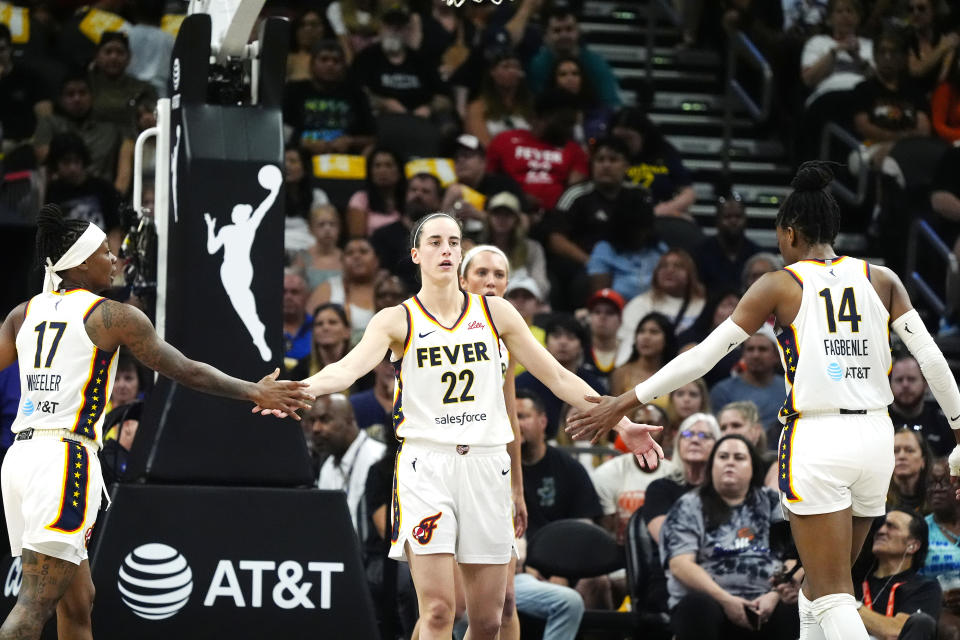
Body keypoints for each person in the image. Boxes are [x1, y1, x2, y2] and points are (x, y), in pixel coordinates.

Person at [566, 161, 960, 640]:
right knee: (818, 591)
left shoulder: (780, 283)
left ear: (790, 232)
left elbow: (705, 357)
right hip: (877, 437)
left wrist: (627, 399)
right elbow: (935, 364)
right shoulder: (883, 279)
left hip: (819, 438)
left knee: (834, 594)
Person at [262, 212, 663, 640]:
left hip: (487, 467)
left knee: (488, 621)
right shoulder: (396, 319)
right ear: (416, 254)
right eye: (435, 242)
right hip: (427, 466)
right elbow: (344, 371)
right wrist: (297, 390)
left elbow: (560, 378)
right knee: (438, 611)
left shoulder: (496, 313)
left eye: (453, 242)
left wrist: (623, 423)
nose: (446, 250)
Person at [0, 205, 312, 639]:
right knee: (32, 607)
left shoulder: (22, 314)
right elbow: (186, 370)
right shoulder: (112, 317)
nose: (114, 260)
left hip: (20, 458)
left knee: (78, 599)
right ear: (80, 261)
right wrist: (254, 390)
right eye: (105, 252)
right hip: (64, 459)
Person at [660, 434, 800, 640]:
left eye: (739, 457)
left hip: (768, 603)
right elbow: (680, 564)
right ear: (711, 466)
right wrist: (726, 600)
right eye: (723, 456)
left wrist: (774, 595)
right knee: (697, 606)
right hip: (711, 603)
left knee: (796, 604)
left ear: (753, 467)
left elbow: (798, 557)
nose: (730, 463)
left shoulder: (773, 502)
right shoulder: (689, 505)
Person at [854, 509, 940, 640]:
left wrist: (850, 606)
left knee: (922, 622)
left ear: (913, 546)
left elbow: (897, 631)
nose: (880, 531)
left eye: (891, 526)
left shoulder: (925, 587)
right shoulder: (855, 579)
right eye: (880, 526)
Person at [311, 393, 386, 541]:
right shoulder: (327, 467)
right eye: (313, 421)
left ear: (350, 420)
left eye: (325, 419)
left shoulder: (377, 458)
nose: (316, 428)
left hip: (376, 558)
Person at [709, 326, 786, 443]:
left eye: (762, 349)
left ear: (776, 355)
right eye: (750, 349)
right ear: (743, 355)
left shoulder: (789, 389)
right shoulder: (722, 391)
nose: (756, 355)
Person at [920, 458, 960, 639]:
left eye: (944, 482)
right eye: (931, 483)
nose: (937, 488)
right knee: (951, 631)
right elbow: (906, 580)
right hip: (937, 606)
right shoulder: (918, 531)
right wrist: (937, 594)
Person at [889, 354, 955, 457]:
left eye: (911, 379)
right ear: (889, 385)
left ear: (925, 384)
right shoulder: (877, 422)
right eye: (899, 380)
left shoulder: (945, 424)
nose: (905, 385)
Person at [888, 426, 932, 514]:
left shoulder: (935, 500)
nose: (901, 456)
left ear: (923, 460)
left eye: (909, 450)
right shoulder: (879, 500)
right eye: (895, 451)